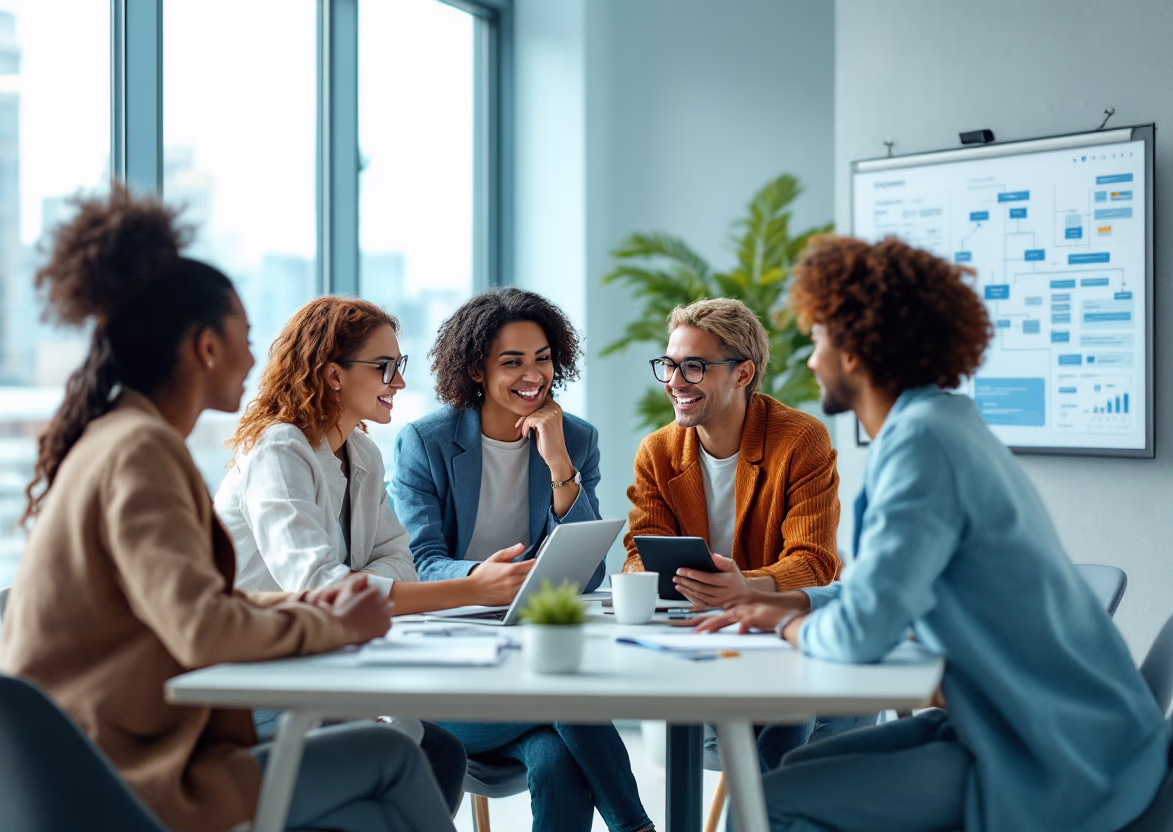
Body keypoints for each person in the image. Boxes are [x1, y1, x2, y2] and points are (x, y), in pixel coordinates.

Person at [0, 185, 456, 832]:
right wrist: (334, 623)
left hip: (96, 752)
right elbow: (202, 628)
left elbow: (201, 608)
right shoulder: (142, 451)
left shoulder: (126, 439)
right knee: (391, 757)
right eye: (243, 338)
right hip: (118, 772)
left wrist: (323, 610)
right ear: (205, 348)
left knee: (400, 767)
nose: (253, 358)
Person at [698, 235, 1171, 832]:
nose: (811, 359)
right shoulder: (941, 424)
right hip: (1030, 722)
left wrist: (785, 623)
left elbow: (861, 634)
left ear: (854, 350)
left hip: (1053, 752)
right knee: (770, 780)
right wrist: (784, 600)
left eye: (817, 338)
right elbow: (886, 588)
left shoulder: (922, 447)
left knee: (769, 802)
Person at [217, 296, 555, 811]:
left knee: (440, 753)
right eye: (385, 367)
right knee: (420, 752)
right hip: (255, 682)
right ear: (333, 374)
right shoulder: (279, 449)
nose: (398, 382)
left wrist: (352, 582)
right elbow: (320, 587)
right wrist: (471, 588)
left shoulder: (362, 453)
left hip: (323, 667)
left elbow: (399, 558)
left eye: (399, 366)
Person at [390, 287, 653, 832]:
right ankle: (636, 826)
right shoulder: (426, 441)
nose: (532, 374)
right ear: (475, 370)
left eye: (542, 359)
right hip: (451, 667)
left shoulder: (575, 438)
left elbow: (589, 571)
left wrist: (559, 463)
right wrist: (484, 581)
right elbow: (417, 562)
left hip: (530, 654)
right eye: (511, 362)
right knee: (565, 692)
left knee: (556, 762)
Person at [622, 297, 843, 770]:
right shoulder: (657, 453)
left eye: (694, 367)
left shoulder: (800, 440)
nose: (675, 383)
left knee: (786, 721)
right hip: (696, 640)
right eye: (669, 365)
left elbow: (815, 563)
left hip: (779, 637)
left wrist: (746, 587)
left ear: (742, 374)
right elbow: (638, 553)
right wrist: (648, 579)